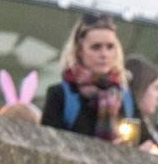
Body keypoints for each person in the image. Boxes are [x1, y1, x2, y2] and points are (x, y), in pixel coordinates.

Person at [42, 14, 136, 142]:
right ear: (79, 50)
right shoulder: (60, 95)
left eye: (110, 47)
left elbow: (146, 142)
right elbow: (48, 144)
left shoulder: (125, 95)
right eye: (96, 47)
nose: (104, 54)